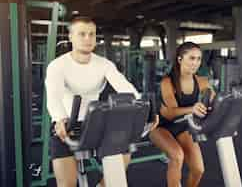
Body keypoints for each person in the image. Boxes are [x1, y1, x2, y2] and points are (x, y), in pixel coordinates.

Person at [45, 16, 158, 187]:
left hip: (96, 122)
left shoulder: (104, 64)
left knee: (124, 153)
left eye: (91, 34)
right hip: (67, 124)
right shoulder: (57, 65)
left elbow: (126, 88)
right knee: (66, 184)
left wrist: (147, 110)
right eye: (82, 34)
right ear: (70, 37)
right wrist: (59, 118)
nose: (87, 39)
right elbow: (53, 95)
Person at [149, 42, 215, 187]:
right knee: (177, 156)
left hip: (182, 127)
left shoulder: (201, 81)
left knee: (198, 169)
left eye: (198, 59)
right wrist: (193, 109)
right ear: (180, 59)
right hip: (160, 127)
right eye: (191, 58)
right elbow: (171, 113)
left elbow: (215, 100)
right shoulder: (167, 82)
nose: (195, 63)